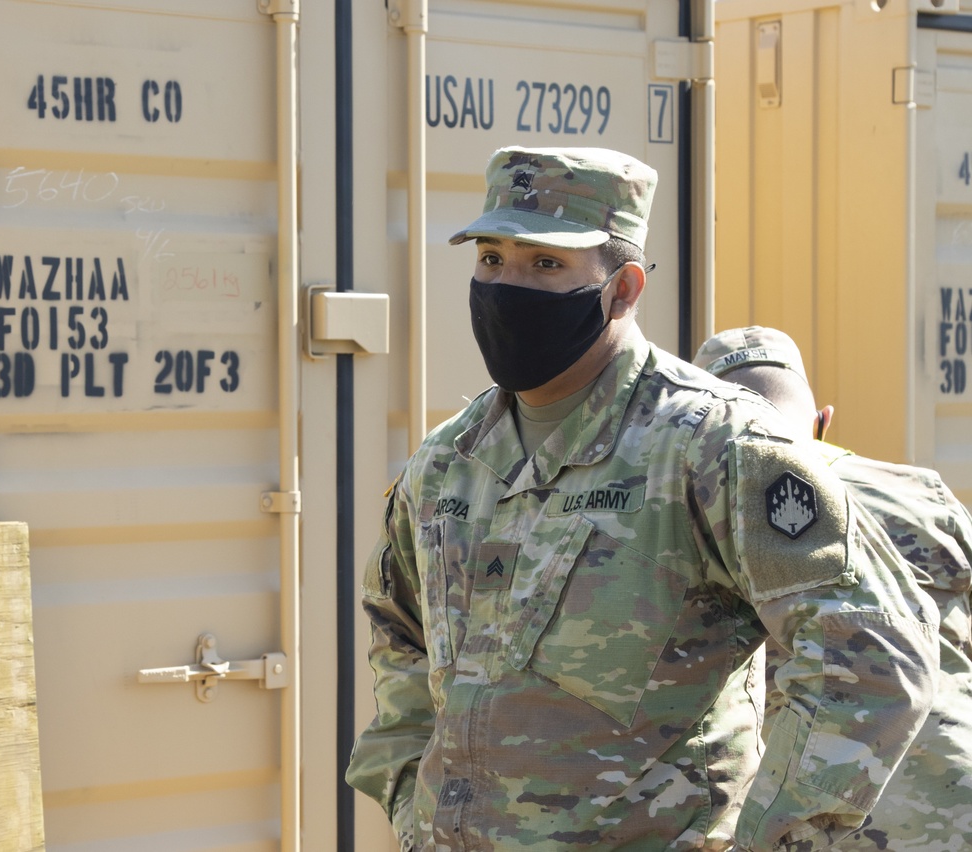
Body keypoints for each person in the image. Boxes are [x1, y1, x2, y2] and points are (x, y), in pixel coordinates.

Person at [346, 146, 939, 851]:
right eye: (491, 260)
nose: (507, 286)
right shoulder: (448, 462)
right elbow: (398, 638)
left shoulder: (713, 447)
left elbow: (873, 659)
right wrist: (415, 808)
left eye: (545, 265)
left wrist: (773, 837)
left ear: (623, 289)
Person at [694, 325, 972, 850]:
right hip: (955, 804)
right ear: (823, 423)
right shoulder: (925, 493)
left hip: (822, 821)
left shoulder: (716, 505)